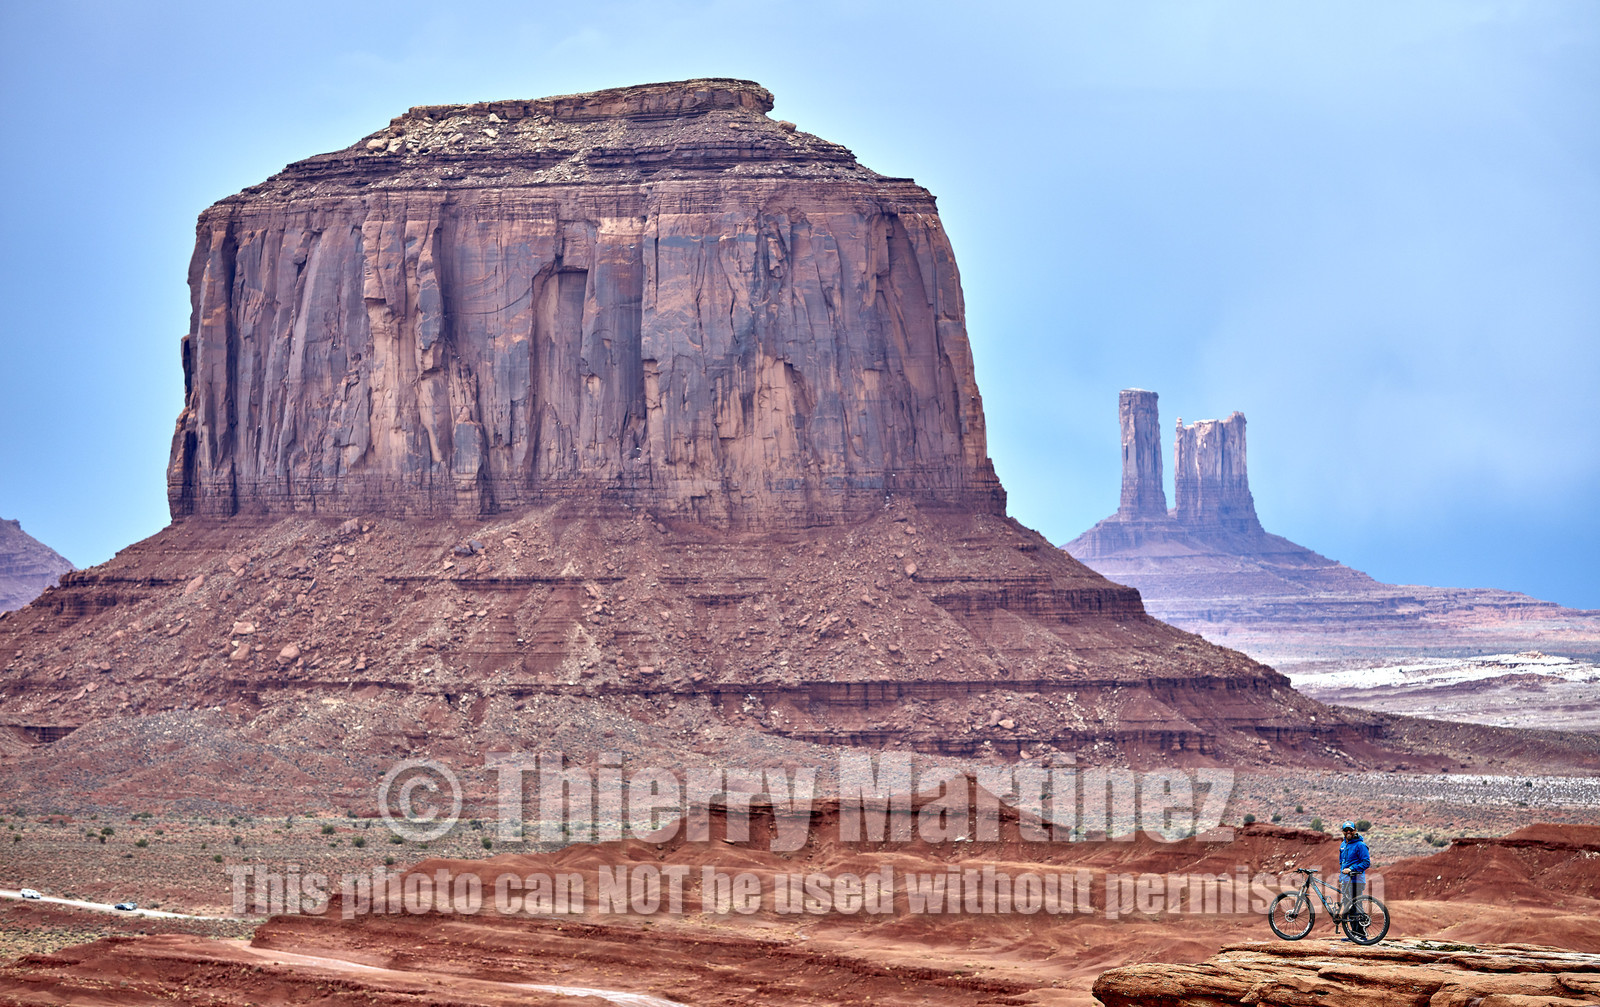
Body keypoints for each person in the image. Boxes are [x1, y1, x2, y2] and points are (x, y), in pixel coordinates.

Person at [1338, 820, 1371, 941]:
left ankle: (1361, 934)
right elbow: (1342, 862)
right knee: (1348, 906)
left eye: (1350, 830)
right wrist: (1342, 875)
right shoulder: (1343, 845)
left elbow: (1366, 862)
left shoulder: (1360, 845)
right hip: (1346, 880)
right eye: (1346, 830)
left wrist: (1351, 869)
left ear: (1355, 831)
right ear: (1343, 831)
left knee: (1356, 906)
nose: (1348, 832)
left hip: (1356, 879)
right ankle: (1353, 934)